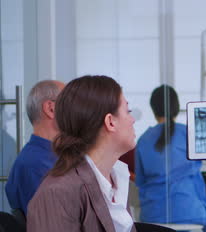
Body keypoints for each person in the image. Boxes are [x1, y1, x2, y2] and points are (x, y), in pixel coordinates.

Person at [27, 75, 137, 232]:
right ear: (110, 122)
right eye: (128, 111)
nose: (132, 120)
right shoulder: (57, 193)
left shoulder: (117, 181)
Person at [135, 85, 206, 232]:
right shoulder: (189, 133)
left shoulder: (143, 140)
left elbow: (140, 182)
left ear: (153, 109)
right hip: (190, 211)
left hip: (152, 215)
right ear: (176, 107)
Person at [5, 80, 65, 215]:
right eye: (71, 102)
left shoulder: (48, 158)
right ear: (51, 109)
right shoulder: (36, 165)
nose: (77, 110)